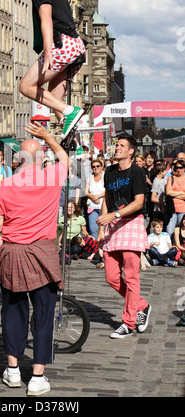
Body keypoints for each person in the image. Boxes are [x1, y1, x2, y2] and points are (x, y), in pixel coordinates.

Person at [0, 121, 68, 396]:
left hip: (11, 253)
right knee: (43, 315)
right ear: (42, 158)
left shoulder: (5, 185)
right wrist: (47, 137)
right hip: (42, 253)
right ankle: (36, 377)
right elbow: (65, 157)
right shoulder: (52, 177)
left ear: (19, 160)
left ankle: (11, 371)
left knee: (12, 312)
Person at [8, 0, 86, 141]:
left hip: (61, 44)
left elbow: (46, 19)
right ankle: (75, 143)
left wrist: (49, 51)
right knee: (53, 99)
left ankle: (70, 111)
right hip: (75, 45)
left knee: (25, 86)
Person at [97, 136, 152, 339]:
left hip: (131, 222)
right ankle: (142, 305)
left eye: (121, 146)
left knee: (131, 276)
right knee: (111, 277)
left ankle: (128, 323)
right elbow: (107, 198)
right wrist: (102, 227)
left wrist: (115, 214)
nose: (117, 148)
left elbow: (139, 202)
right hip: (112, 224)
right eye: (116, 145)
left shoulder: (137, 172)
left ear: (131, 152)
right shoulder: (110, 172)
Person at [85, 159, 105, 240]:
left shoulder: (106, 176)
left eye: (98, 166)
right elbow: (86, 192)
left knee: (103, 230)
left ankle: (103, 250)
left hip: (103, 207)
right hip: (92, 208)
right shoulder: (90, 177)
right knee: (93, 230)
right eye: (93, 166)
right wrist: (93, 197)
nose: (96, 168)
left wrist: (99, 196)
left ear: (101, 167)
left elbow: (108, 190)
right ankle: (95, 249)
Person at [165, 160, 185, 238]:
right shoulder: (171, 178)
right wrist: (181, 193)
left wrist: (174, 194)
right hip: (171, 208)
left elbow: (171, 192)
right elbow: (168, 192)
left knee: (182, 231)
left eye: (181, 167)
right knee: (169, 231)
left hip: (183, 209)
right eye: (177, 167)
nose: (179, 169)